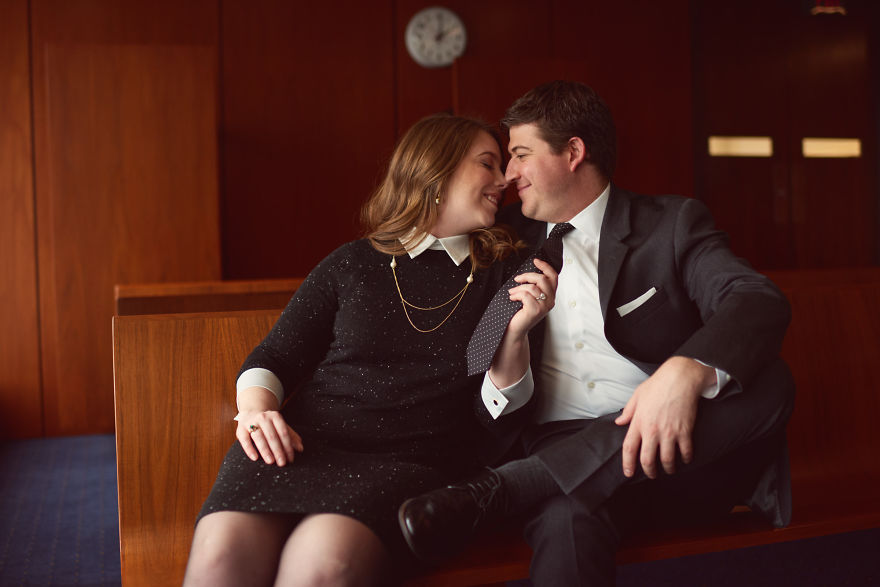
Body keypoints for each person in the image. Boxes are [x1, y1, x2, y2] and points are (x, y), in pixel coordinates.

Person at [398, 81, 796, 586]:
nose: (509, 173)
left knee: (771, 382)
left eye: (520, 154)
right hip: (557, 445)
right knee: (567, 515)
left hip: (676, 448)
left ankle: (503, 491)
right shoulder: (501, 243)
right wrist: (515, 340)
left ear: (573, 152)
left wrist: (681, 374)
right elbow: (480, 382)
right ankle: (534, 481)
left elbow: (755, 299)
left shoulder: (670, 225)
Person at [182, 113, 559, 586]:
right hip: (298, 445)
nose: (503, 179)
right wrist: (256, 412)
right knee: (218, 559)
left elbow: (496, 409)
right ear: (435, 171)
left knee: (321, 567)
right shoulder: (352, 262)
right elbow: (275, 357)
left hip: (409, 463)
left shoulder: (507, 272)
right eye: (487, 163)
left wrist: (517, 335)